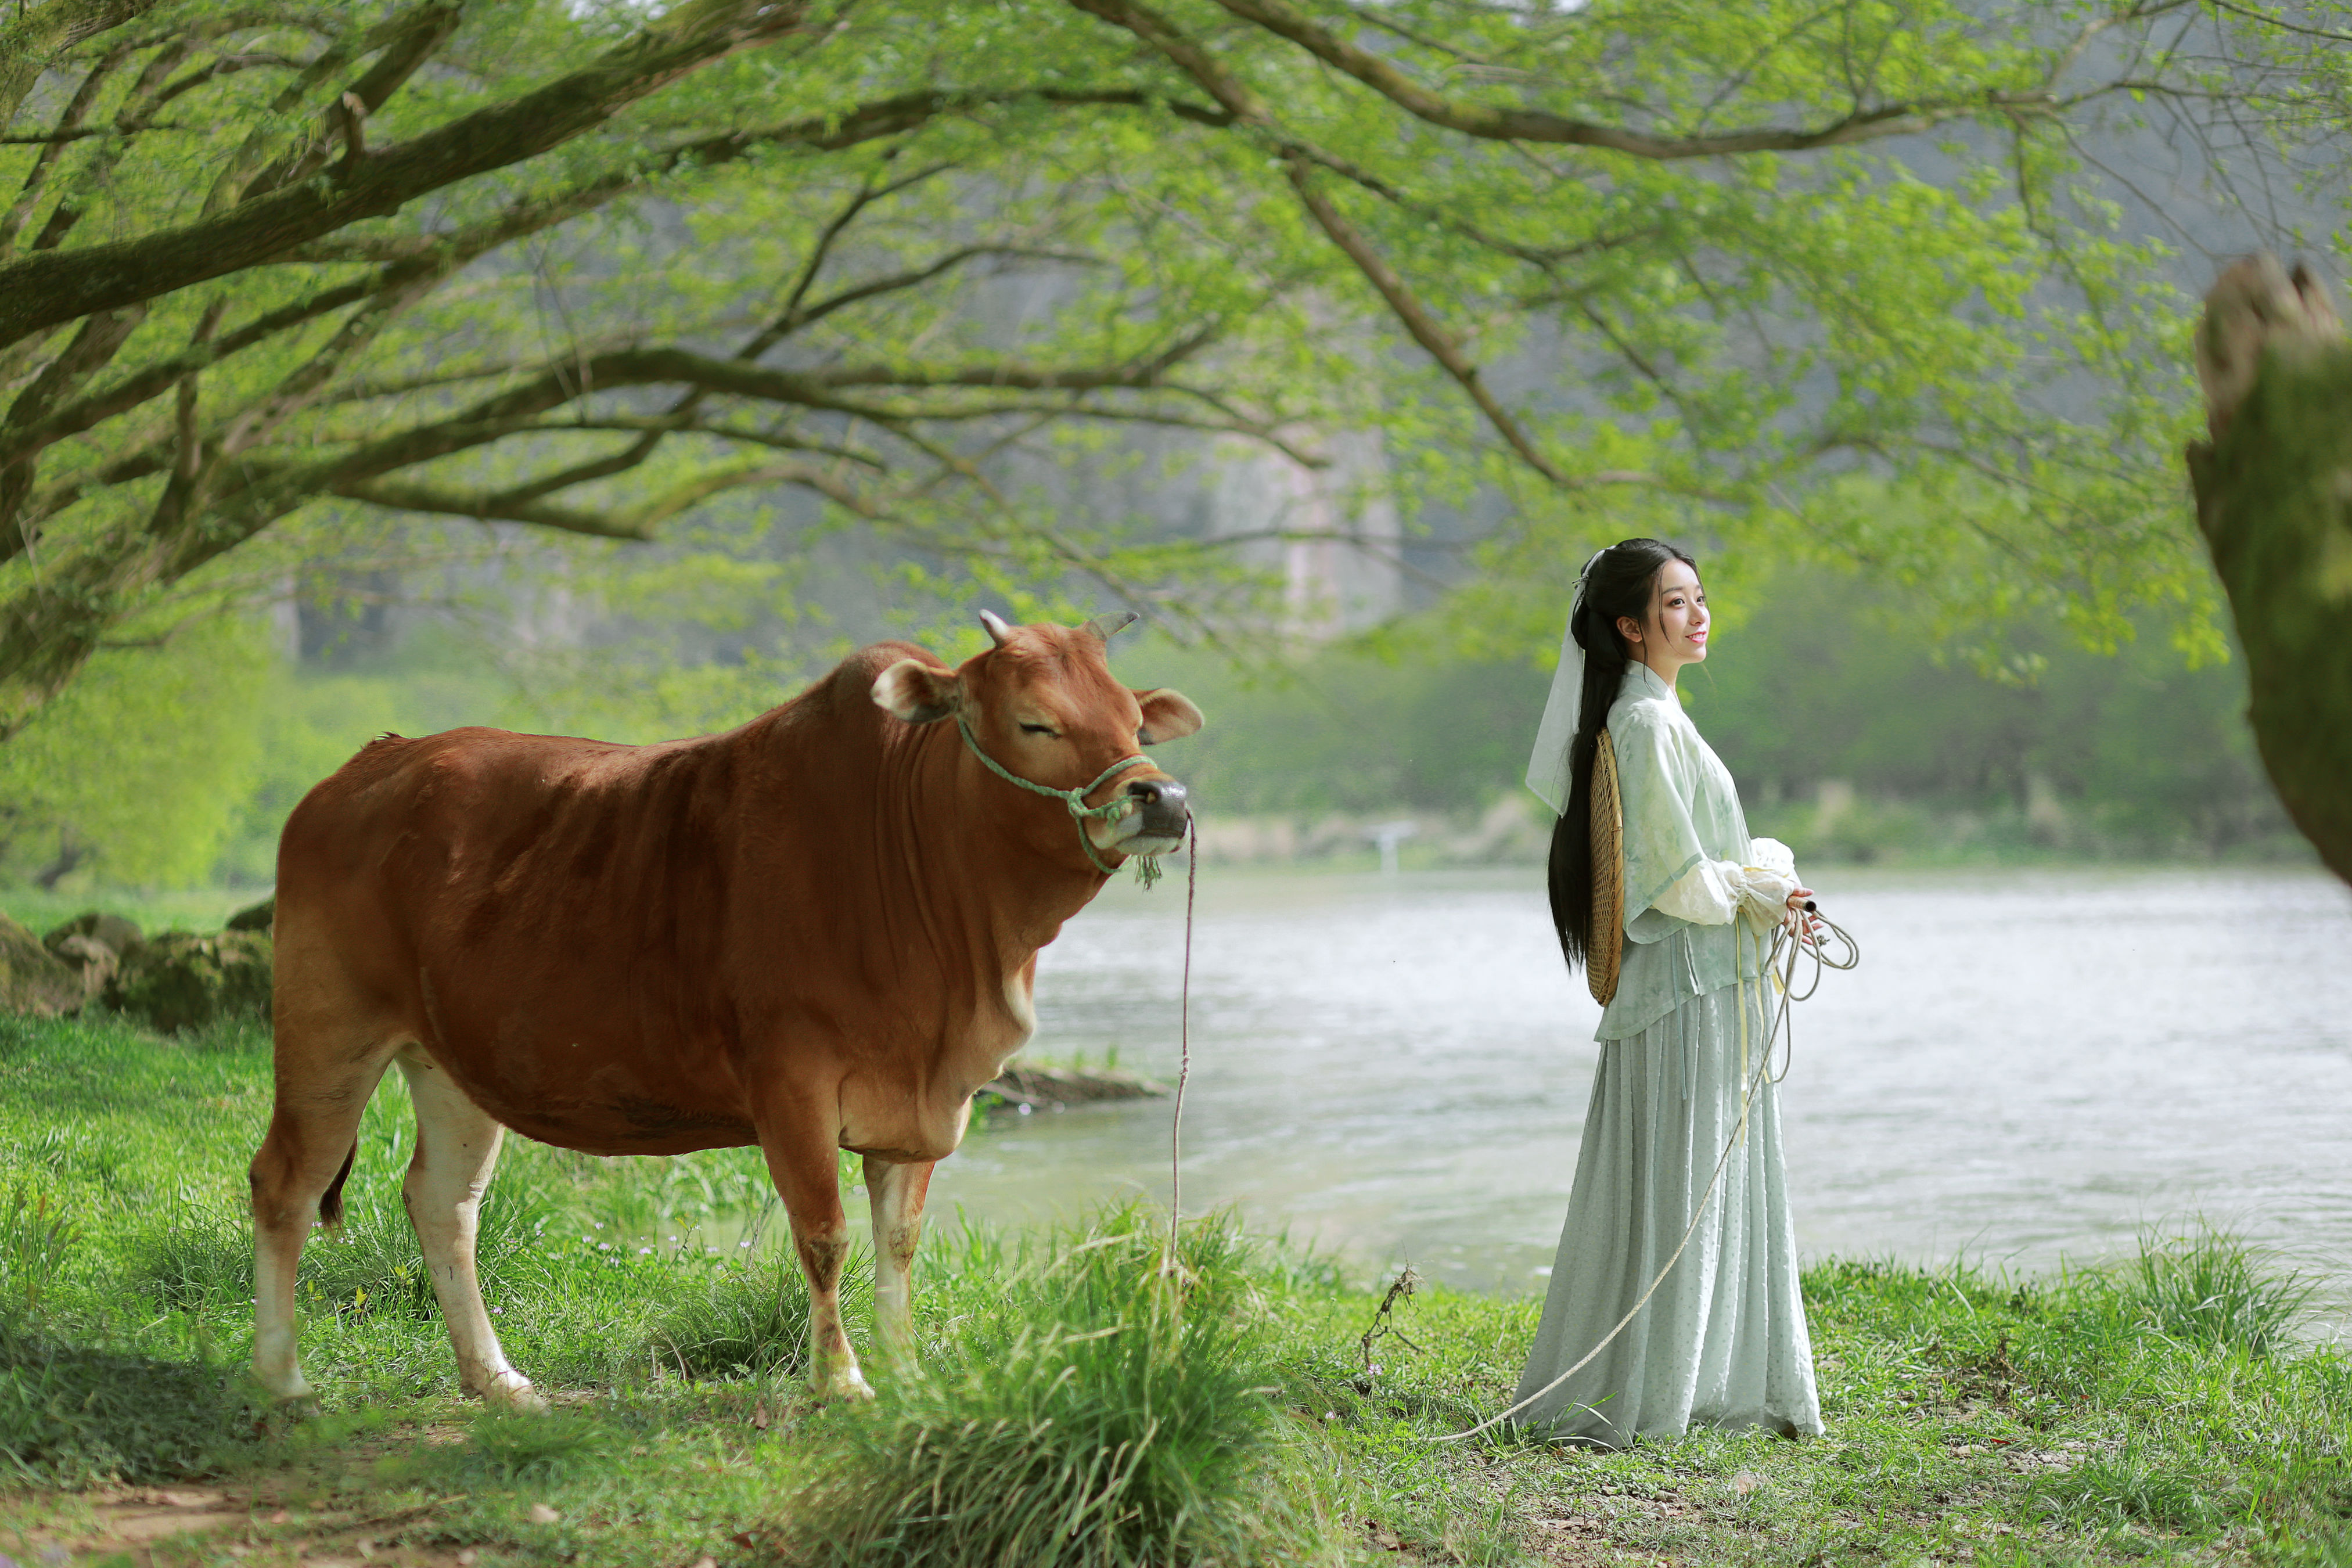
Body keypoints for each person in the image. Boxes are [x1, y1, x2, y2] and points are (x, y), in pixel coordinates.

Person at [1511, 537, 1825, 1448]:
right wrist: (1761, 889)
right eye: (1676, 603)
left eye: (1698, 598)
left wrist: (1769, 885)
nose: (1698, 615)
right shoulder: (1643, 726)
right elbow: (1676, 881)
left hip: (1707, 980)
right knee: (1685, 1185)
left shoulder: (1660, 718)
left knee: (1702, 1182)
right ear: (1628, 626)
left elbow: (1703, 864)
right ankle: (1657, 1393)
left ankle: (1698, 1383)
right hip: (1685, 986)